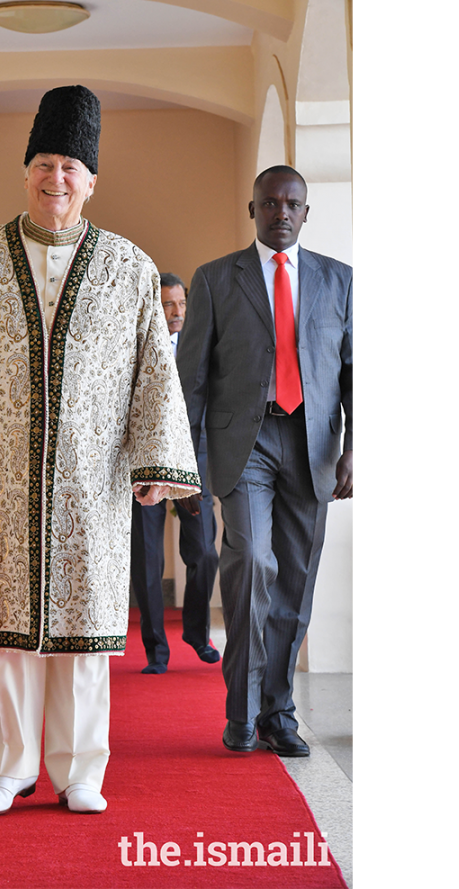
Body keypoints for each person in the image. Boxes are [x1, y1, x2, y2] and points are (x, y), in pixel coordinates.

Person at [0, 86, 199, 816]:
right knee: (3, 644)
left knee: (85, 641)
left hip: (89, 487)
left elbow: (155, 370)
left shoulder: (130, 269)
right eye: (45, 164)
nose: (56, 179)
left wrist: (155, 463)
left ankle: (80, 773)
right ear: (25, 170)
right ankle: (10, 768)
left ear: (92, 181)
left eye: (70, 167)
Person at [176, 165, 360, 758]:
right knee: (252, 563)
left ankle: (278, 712)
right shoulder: (214, 280)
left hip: (312, 446)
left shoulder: (340, 281)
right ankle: (241, 710)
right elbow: (193, 383)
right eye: (270, 203)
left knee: (295, 584)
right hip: (243, 447)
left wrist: (356, 448)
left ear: (306, 212)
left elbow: (358, 375)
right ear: (252, 209)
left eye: (292, 204)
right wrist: (189, 470)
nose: (281, 212)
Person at [129, 273, 222, 674]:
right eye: (168, 304)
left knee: (203, 550)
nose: (177, 312)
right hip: (146, 462)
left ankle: (197, 633)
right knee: (148, 558)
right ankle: (156, 652)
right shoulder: (137, 344)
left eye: (182, 304)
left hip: (193, 464)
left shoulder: (202, 346)